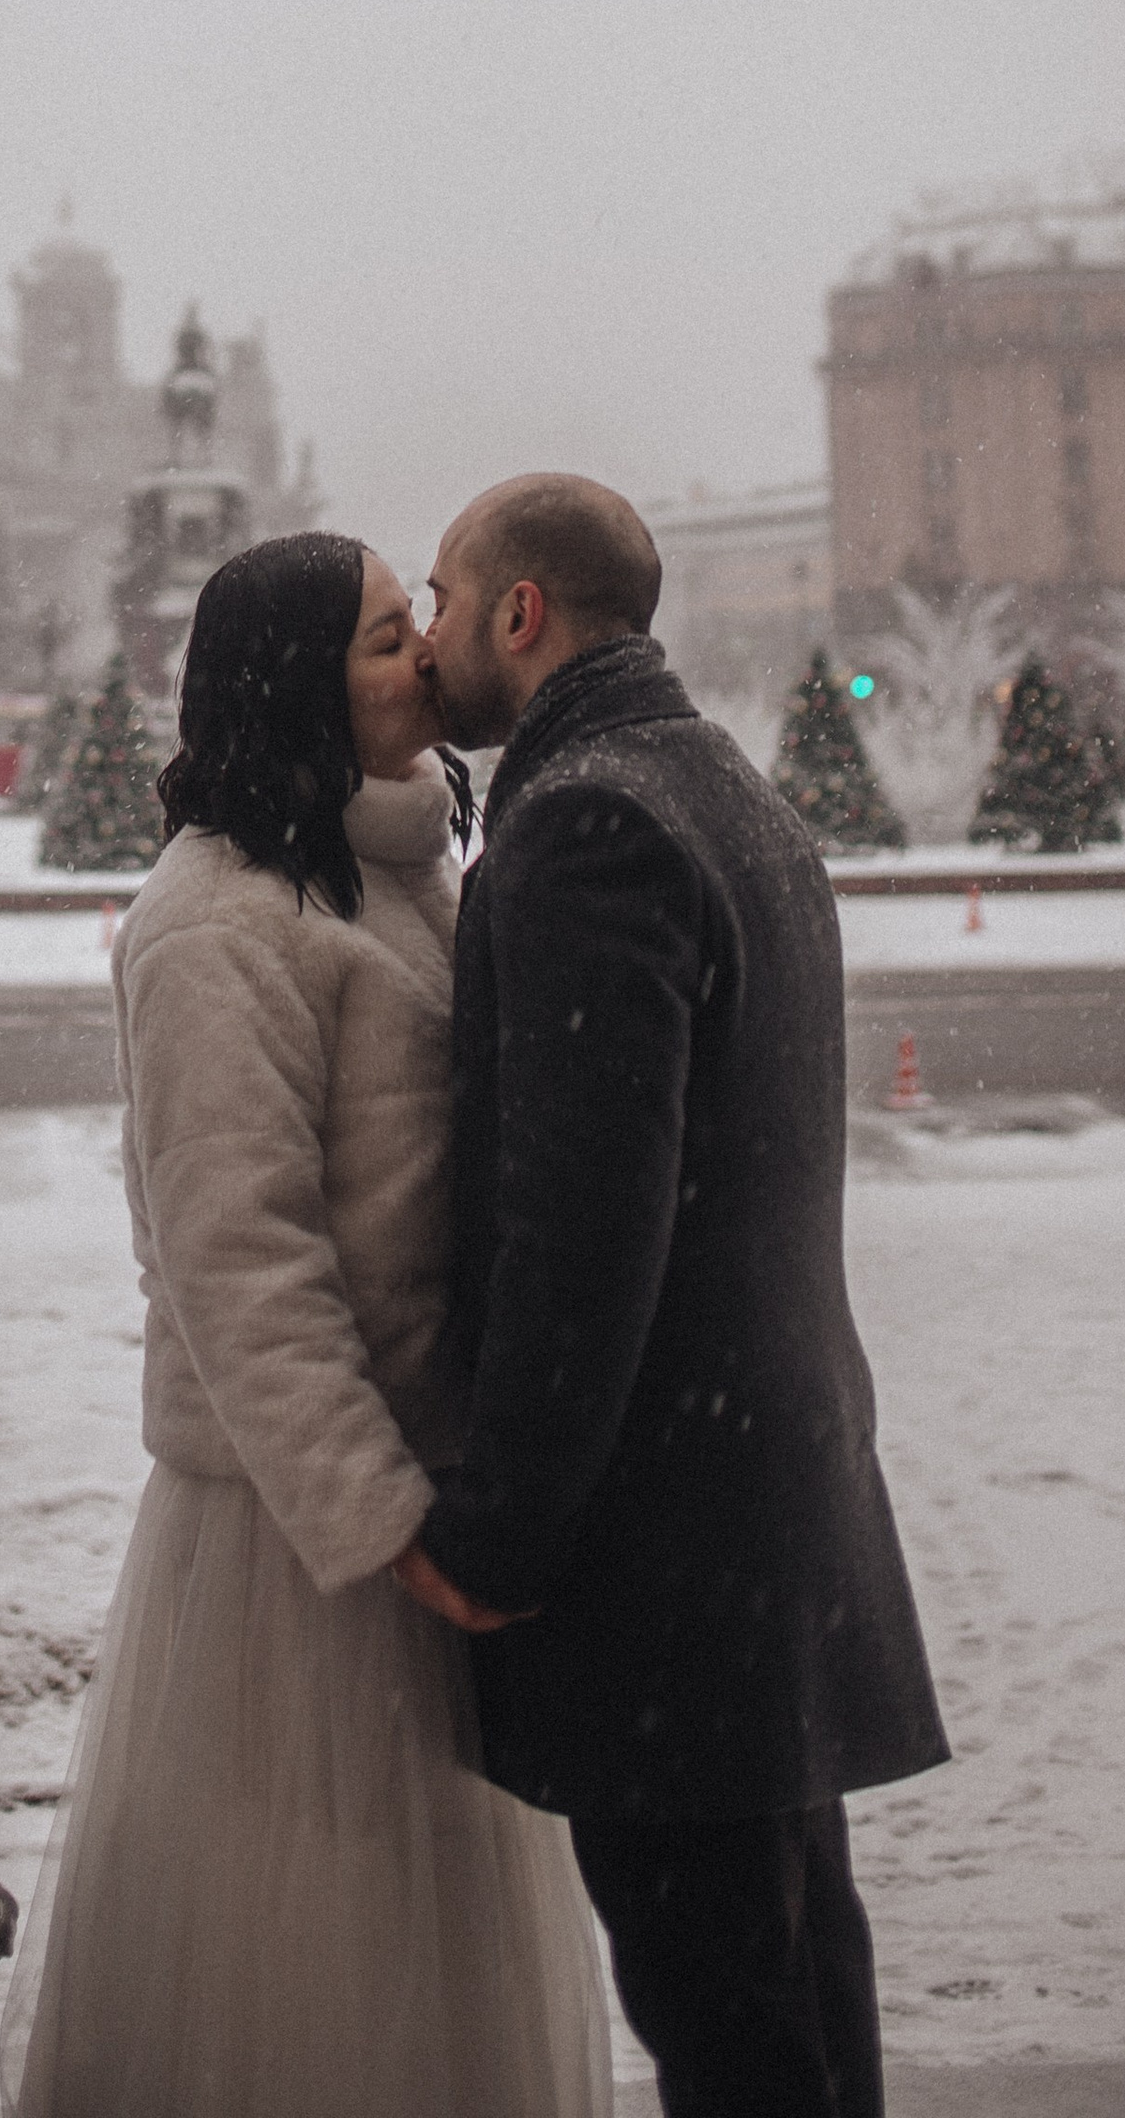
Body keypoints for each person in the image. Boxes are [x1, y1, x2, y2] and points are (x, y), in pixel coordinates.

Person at [1, 530, 612, 2118]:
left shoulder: (398, 870)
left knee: (409, 1955)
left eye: (417, 626)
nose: (424, 658)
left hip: (423, 1501)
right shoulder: (219, 918)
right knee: (308, 1963)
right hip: (303, 1544)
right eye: (382, 639)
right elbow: (239, 1265)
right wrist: (382, 1519)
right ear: (294, 685)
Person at [403, 473, 949, 2118]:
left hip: (668, 1545)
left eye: (439, 600)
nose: (425, 641)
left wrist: (497, 1532)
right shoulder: (729, 790)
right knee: (794, 1975)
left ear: (522, 614)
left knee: (724, 2015)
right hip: (768, 1494)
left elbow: (583, 1231)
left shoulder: (584, 825)